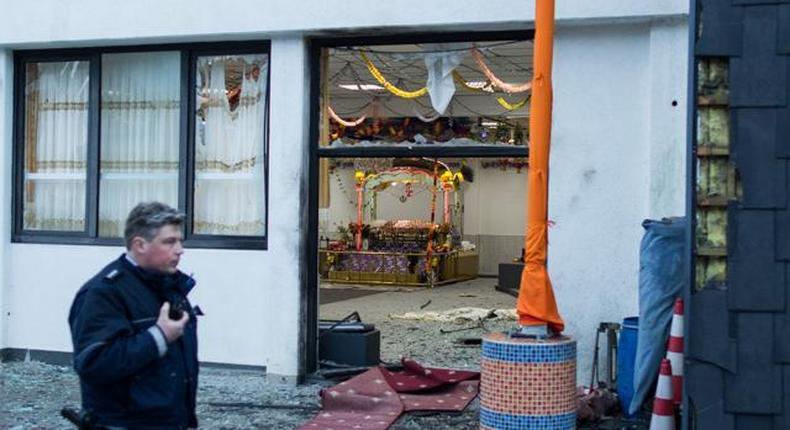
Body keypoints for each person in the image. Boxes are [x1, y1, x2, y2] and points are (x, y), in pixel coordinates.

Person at [68, 202, 199, 429]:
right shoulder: (103, 293)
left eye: (180, 241)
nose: (180, 249)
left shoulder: (170, 286)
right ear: (140, 245)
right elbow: (94, 363)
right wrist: (158, 336)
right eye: (169, 242)